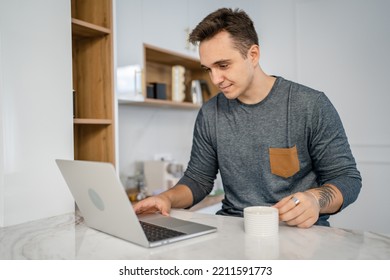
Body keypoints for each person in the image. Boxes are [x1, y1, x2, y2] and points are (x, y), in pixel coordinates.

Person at [134, 7, 362, 228]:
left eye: (223, 65)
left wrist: (315, 200)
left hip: (297, 232)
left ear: (253, 54)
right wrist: (166, 198)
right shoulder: (210, 113)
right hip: (233, 228)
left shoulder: (310, 105)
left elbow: (347, 178)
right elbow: (198, 180)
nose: (216, 79)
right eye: (208, 69)